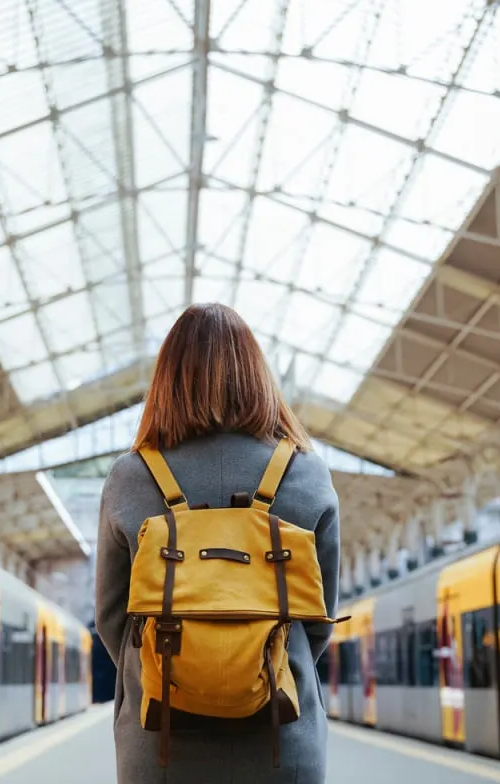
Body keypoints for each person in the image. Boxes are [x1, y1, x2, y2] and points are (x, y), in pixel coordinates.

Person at [95, 303, 341, 783]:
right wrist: (256, 666)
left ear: (167, 379)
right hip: (282, 737)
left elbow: (111, 619)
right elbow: (319, 618)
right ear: (257, 375)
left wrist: (184, 672)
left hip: (159, 743)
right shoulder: (307, 474)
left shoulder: (130, 477)